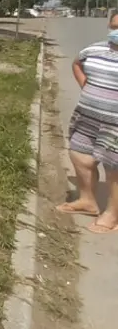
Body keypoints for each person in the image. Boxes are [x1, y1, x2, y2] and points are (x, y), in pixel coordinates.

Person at [57, 12, 118, 233]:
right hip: (87, 117)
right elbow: (77, 63)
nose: (116, 32)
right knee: (80, 155)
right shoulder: (94, 50)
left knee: (115, 169)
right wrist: (87, 86)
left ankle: (112, 215)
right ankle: (87, 201)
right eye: (113, 26)